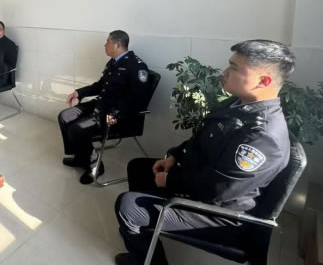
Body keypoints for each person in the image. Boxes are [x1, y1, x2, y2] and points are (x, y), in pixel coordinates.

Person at [113, 39, 295, 265]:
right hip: (204, 184)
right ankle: (142, 231)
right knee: (138, 168)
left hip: (219, 214)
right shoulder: (239, 104)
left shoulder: (263, 135)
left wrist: (170, 181)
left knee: (128, 205)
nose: (225, 72)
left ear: (263, 81)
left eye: (234, 68)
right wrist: (175, 156)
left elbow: (221, 189)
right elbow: (202, 137)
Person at [58, 30, 150, 184]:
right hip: (101, 105)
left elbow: (136, 100)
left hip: (116, 115)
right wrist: (79, 93)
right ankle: (81, 157)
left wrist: (115, 114)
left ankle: (96, 166)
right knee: (65, 116)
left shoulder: (137, 66)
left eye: (108, 41)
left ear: (117, 45)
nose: (105, 45)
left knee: (77, 129)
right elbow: (100, 85)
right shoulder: (113, 62)